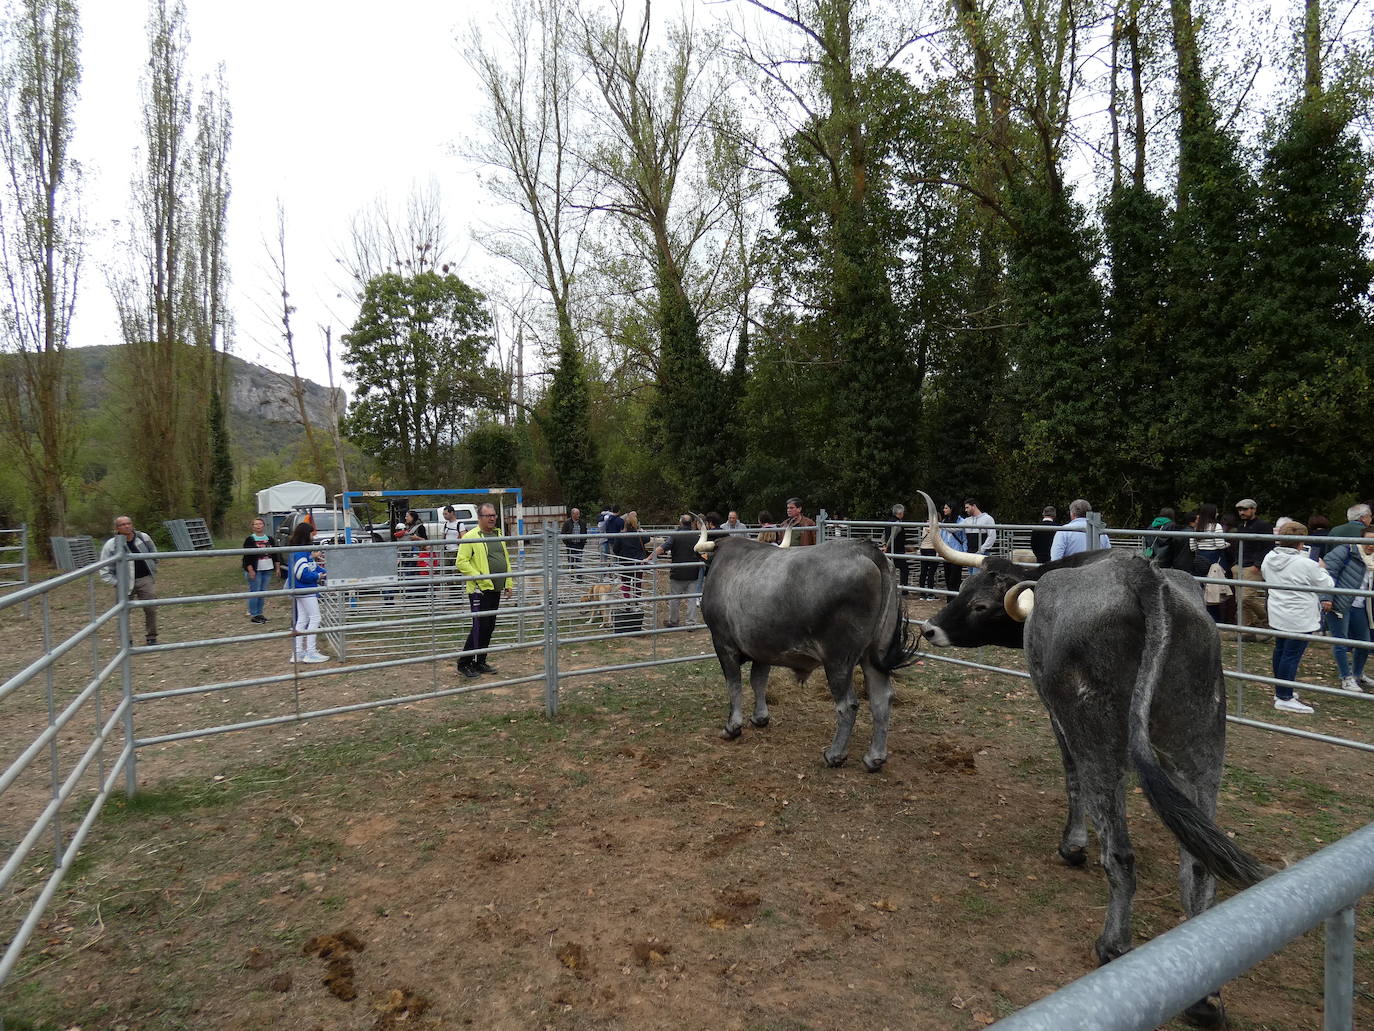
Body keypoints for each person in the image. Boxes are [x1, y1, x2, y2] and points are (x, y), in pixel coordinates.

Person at [1262, 521, 1333, 714]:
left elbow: (1265, 575)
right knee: (1291, 654)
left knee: (1281, 650)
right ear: (1301, 543)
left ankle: (1281, 691)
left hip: (1278, 611)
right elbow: (1326, 584)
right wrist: (1322, 567)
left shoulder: (1269, 557)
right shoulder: (1307, 563)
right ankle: (1284, 696)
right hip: (1299, 615)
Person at [456, 503, 512, 678]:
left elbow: (505, 559)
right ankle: (464, 663)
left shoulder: (498, 535)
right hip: (479, 590)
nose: (492, 518)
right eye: (488, 516)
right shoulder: (470, 537)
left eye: (494, 515)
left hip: (495, 588)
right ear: (479, 518)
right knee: (479, 627)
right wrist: (478, 576)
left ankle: (480, 661)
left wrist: (508, 582)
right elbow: (461, 562)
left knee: (489, 626)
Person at [1322, 524, 1374, 693]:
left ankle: (1357, 674)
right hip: (1339, 603)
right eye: (1367, 540)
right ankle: (1346, 677)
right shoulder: (1346, 551)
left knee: (1364, 643)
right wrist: (1327, 598)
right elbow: (1327, 572)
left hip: (1362, 606)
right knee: (1341, 641)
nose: (1371, 544)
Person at [99, 515, 160, 646]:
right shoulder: (111, 545)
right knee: (123, 611)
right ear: (117, 528)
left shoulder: (143, 538)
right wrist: (116, 582)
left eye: (128, 523)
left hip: (145, 580)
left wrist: (153, 570)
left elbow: (154, 554)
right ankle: (127, 640)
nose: (126, 526)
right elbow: (104, 568)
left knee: (151, 608)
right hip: (124, 583)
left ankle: (152, 637)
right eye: (122, 524)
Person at [647, 514, 705, 626]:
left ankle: (673, 621)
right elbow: (703, 553)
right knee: (692, 599)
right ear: (691, 523)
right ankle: (691, 623)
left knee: (674, 598)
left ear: (681, 523)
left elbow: (662, 548)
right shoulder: (696, 537)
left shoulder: (675, 536)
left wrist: (649, 557)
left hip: (677, 572)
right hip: (693, 572)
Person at [286, 522, 329, 664]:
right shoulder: (300, 552)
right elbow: (302, 573)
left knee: (302, 620)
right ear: (306, 534)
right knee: (315, 618)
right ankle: (310, 652)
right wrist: (318, 577)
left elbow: (312, 566)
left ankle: (298, 652)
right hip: (305, 589)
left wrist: (323, 572)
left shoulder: (303, 551)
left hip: (302, 589)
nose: (313, 536)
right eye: (312, 533)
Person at [1235, 498, 1275, 640]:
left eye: (1245, 509)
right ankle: (1247, 631)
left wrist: (1257, 565)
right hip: (1240, 564)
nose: (1242, 512)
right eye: (1240, 510)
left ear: (1254, 509)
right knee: (1240, 600)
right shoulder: (1242, 526)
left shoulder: (1263, 526)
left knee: (1246, 598)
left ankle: (1267, 621)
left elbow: (1268, 546)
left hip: (1252, 566)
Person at [1195, 503, 1231, 622]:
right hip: (1213, 560)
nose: (1218, 513)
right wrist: (1228, 544)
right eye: (1216, 511)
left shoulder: (1197, 527)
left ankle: (1201, 618)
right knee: (1213, 589)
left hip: (1199, 559)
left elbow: (1192, 547)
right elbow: (1220, 545)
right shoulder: (1217, 526)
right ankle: (1215, 619)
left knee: (1201, 589)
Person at [242, 517, 279, 624]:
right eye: (255, 524)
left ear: (264, 525)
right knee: (255, 592)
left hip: (267, 569)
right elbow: (247, 557)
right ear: (252, 527)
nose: (258, 526)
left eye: (260, 524)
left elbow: (275, 554)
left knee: (262, 592)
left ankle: (260, 613)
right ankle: (254, 615)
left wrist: (277, 567)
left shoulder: (270, 539)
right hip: (255, 570)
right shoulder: (250, 539)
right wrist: (250, 570)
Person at [614, 510, 650, 599]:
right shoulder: (639, 535)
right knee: (637, 583)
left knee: (625, 583)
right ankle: (637, 602)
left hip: (625, 563)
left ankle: (627, 602)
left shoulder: (621, 536)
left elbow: (615, 549)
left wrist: (621, 555)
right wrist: (643, 531)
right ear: (636, 523)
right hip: (638, 562)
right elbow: (648, 538)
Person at [939, 501, 966, 595]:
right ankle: (950, 597)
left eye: (946, 508)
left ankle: (955, 596)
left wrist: (965, 552)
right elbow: (941, 536)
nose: (944, 510)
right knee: (947, 575)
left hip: (957, 552)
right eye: (944, 508)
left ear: (952, 509)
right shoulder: (943, 521)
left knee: (955, 576)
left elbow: (964, 537)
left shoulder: (961, 521)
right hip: (946, 552)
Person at [887, 503, 911, 590]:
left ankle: (890, 588)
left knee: (889, 570)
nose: (903, 514)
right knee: (905, 570)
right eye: (903, 512)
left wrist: (884, 545)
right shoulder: (897, 523)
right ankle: (903, 589)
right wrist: (886, 545)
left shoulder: (889, 521)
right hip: (897, 550)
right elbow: (892, 536)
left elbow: (884, 534)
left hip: (890, 550)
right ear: (900, 513)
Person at [560, 507, 588, 571]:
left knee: (579, 561)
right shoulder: (567, 523)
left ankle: (579, 577)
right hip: (571, 545)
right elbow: (563, 533)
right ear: (572, 514)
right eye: (577, 514)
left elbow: (585, 532)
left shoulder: (582, 523)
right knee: (571, 561)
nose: (579, 515)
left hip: (579, 545)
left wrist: (583, 542)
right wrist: (567, 543)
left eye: (579, 514)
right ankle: (572, 578)